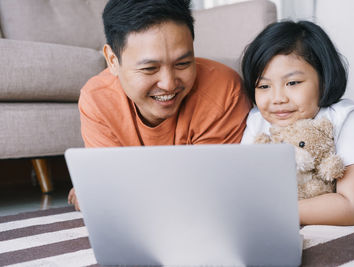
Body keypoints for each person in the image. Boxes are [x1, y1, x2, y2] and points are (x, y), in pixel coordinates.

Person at [68, 0, 252, 210]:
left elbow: (206, 191)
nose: (168, 84)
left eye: (182, 64)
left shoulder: (223, 90)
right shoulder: (97, 99)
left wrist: (103, 188)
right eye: (149, 69)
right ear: (112, 60)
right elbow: (104, 190)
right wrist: (99, 189)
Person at [240, 20, 354, 226]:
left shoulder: (346, 117)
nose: (277, 98)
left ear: (323, 79)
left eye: (292, 83)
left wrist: (272, 211)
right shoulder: (258, 120)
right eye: (263, 86)